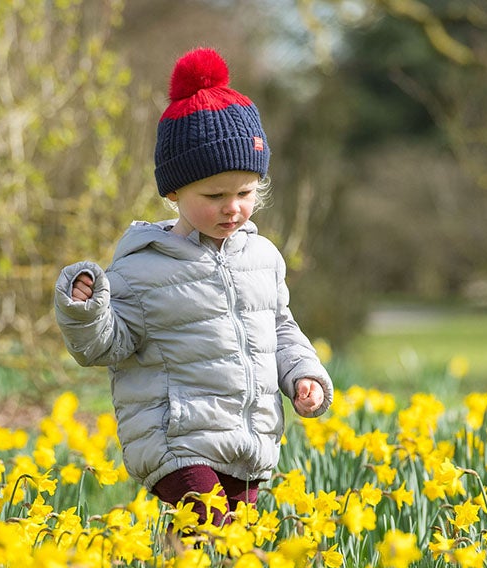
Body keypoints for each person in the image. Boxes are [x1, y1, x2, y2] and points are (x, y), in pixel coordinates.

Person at [53, 47, 333, 532]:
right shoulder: (143, 266)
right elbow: (107, 347)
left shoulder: (262, 258)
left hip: (248, 439)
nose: (233, 209)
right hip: (174, 438)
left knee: (225, 553)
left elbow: (281, 330)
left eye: (245, 193)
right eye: (214, 196)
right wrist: (85, 311)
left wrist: (303, 375)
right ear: (174, 193)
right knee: (212, 531)